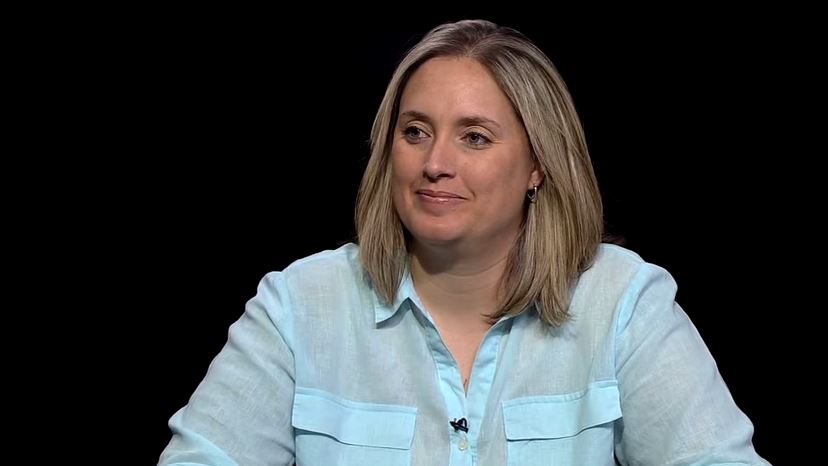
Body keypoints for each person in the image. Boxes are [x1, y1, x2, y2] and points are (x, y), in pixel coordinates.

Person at [159, 19, 769, 465]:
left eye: (474, 137)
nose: (435, 163)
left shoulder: (624, 300)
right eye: (415, 131)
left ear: (538, 164)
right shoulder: (299, 304)